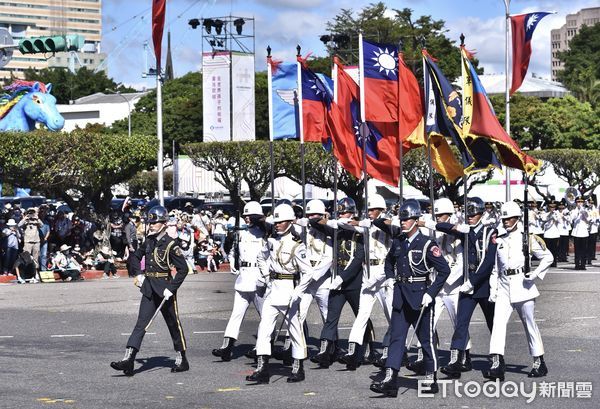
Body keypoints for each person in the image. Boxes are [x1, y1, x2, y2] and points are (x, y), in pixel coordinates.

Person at [370, 199, 450, 397]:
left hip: (420, 296)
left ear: (416, 220)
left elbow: (444, 270)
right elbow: (389, 262)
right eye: (402, 219)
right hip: (400, 296)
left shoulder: (427, 244)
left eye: (406, 219)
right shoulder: (398, 241)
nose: (403, 222)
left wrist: (430, 293)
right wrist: (390, 279)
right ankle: (390, 379)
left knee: (426, 340)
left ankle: (431, 377)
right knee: (396, 339)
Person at [110, 205, 193, 376]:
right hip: (149, 287)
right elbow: (135, 256)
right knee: (141, 323)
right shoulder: (148, 241)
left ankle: (182, 358)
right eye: (150, 222)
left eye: (155, 223)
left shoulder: (171, 244)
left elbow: (183, 269)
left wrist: (171, 288)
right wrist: (139, 274)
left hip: (165, 289)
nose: (151, 225)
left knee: (173, 324)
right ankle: (129, 360)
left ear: (164, 224)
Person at [483, 201, 553, 381]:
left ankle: (539, 361)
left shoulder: (528, 238)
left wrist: (535, 274)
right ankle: (497, 362)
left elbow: (548, 257)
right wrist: (494, 289)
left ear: (517, 218)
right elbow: (496, 268)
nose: (506, 221)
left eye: (510, 218)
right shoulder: (500, 239)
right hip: (504, 287)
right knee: (498, 323)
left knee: (529, 324)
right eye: (504, 218)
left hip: (523, 285)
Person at [245, 203, 312, 384]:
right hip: (273, 289)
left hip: (289, 289)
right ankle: (262, 368)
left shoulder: (298, 245)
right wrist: (266, 276)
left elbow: (308, 272)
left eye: (281, 222)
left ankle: (298, 368)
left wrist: (299, 291)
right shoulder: (272, 240)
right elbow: (261, 257)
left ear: (290, 222)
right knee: (264, 328)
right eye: (275, 222)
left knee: (295, 330)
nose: (277, 225)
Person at [308, 197, 374, 369]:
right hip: (337, 283)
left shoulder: (360, 232)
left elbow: (358, 259)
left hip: (353, 282)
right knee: (331, 317)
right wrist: (329, 219)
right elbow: (315, 223)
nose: (342, 215)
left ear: (352, 213)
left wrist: (341, 278)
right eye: (340, 212)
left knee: (362, 317)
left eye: (344, 212)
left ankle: (366, 350)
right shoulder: (336, 230)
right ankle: (324, 351)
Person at [437, 197, 498, 378]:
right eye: (468, 214)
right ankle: (456, 360)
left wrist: (473, 281)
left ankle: (496, 359)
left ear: (481, 214)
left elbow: (488, 262)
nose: (470, 217)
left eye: (474, 214)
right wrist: (428, 222)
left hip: (484, 285)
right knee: (461, 323)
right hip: (468, 285)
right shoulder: (465, 230)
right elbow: (442, 227)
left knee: (493, 324)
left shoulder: (490, 232)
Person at [411, 198, 469, 375]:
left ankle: (462, 357)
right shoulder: (434, 232)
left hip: (453, 286)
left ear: (449, 214)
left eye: (441, 215)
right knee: (427, 322)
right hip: (436, 285)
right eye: (436, 215)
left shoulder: (458, 230)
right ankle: (424, 358)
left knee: (458, 324)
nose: (438, 218)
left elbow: (461, 260)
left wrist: (449, 279)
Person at [337, 194, 393, 370]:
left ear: (381, 210)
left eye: (372, 210)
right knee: (362, 314)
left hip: (385, 274)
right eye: (367, 210)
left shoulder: (390, 224)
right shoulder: (365, 225)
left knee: (392, 316)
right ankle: (353, 351)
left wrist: (368, 223)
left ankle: (393, 351)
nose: (369, 212)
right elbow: (343, 223)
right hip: (369, 274)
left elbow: (388, 225)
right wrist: (353, 221)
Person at [212, 201, 268, 361]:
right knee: (236, 314)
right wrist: (232, 263)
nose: (247, 219)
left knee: (265, 316)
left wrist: (265, 277)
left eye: (250, 216)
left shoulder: (265, 234)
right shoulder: (240, 234)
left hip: (259, 278)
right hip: (243, 277)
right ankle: (226, 346)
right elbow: (233, 251)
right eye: (245, 216)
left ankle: (261, 347)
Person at [571, 196, 590, 270]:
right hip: (576, 232)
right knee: (577, 250)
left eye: (581, 202)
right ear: (576, 203)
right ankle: (577, 264)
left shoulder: (585, 210)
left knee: (584, 250)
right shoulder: (573, 211)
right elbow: (572, 219)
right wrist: (578, 212)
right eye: (578, 202)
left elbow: (589, 219)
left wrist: (584, 212)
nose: (580, 203)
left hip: (584, 232)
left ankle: (583, 264)